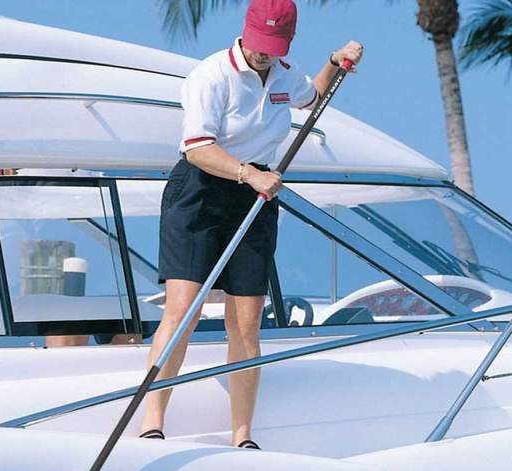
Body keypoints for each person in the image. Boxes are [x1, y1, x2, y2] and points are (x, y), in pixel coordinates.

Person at [140, 0, 363, 448]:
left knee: (246, 323)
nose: (264, 55)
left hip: (255, 196)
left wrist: (334, 62)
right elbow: (198, 148)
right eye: (260, 45)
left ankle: (242, 435)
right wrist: (249, 172)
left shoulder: (285, 72)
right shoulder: (210, 76)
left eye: (273, 47)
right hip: (202, 190)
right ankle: (152, 422)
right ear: (246, 32)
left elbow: (311, 96)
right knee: (183, 310)